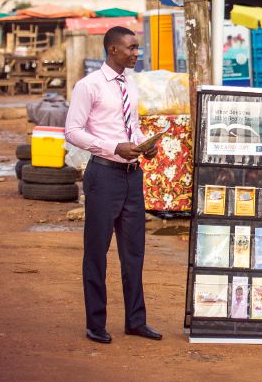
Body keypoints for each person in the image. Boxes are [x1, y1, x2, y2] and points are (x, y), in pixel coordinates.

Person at [65, 26, 162, 345]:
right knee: (96, 252)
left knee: (134, 252)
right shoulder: (88, 86)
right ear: (113, 50)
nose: (137, 53)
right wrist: (113, 148)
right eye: (132, 48)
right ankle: (96, 324)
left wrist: (141, 144)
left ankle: (136, 321)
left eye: (137, 48)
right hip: (103, 176)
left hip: (133, 176)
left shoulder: (129, 86)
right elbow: (73, 131)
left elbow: (129, 126)